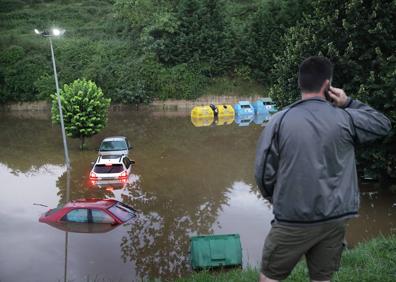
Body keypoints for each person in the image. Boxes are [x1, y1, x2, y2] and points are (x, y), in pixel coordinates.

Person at [255, 56, 391, 282]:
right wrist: (348, 103)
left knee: (270, 277)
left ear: (300, 83)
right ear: (328, 85)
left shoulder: (279, 120)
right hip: (334, 218)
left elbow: (263, 172)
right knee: (322, 279)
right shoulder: (346, 118)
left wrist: (276, 197)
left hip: (292, 219)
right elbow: (382, 124)